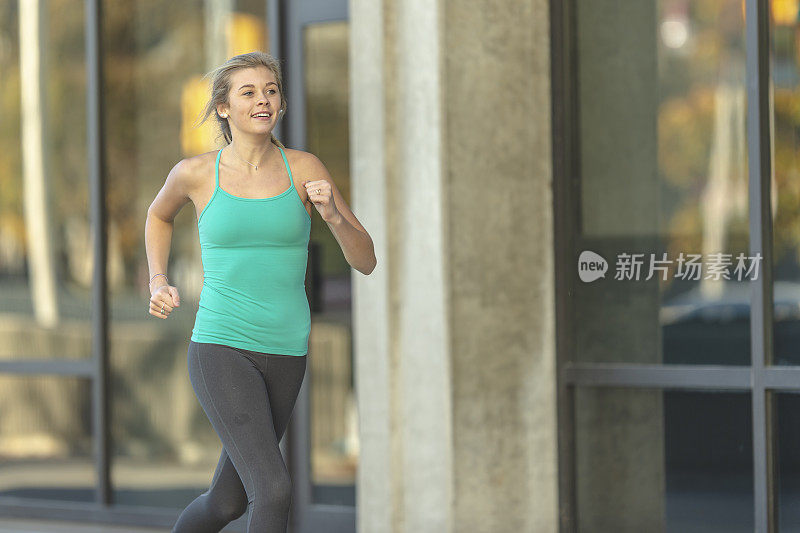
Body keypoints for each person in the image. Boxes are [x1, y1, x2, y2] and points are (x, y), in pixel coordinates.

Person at [144, 51, 376, 533]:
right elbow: (158, 215)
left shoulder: (304, 168)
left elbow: (366, 260)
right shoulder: (196, 173)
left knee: (226, 503)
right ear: (224, 108)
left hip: (287, 351)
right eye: (248, 92)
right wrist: (157, 278)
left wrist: (332, 216)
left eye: (270, 90)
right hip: (221, 345)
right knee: (272, 491)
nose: (263, 99)